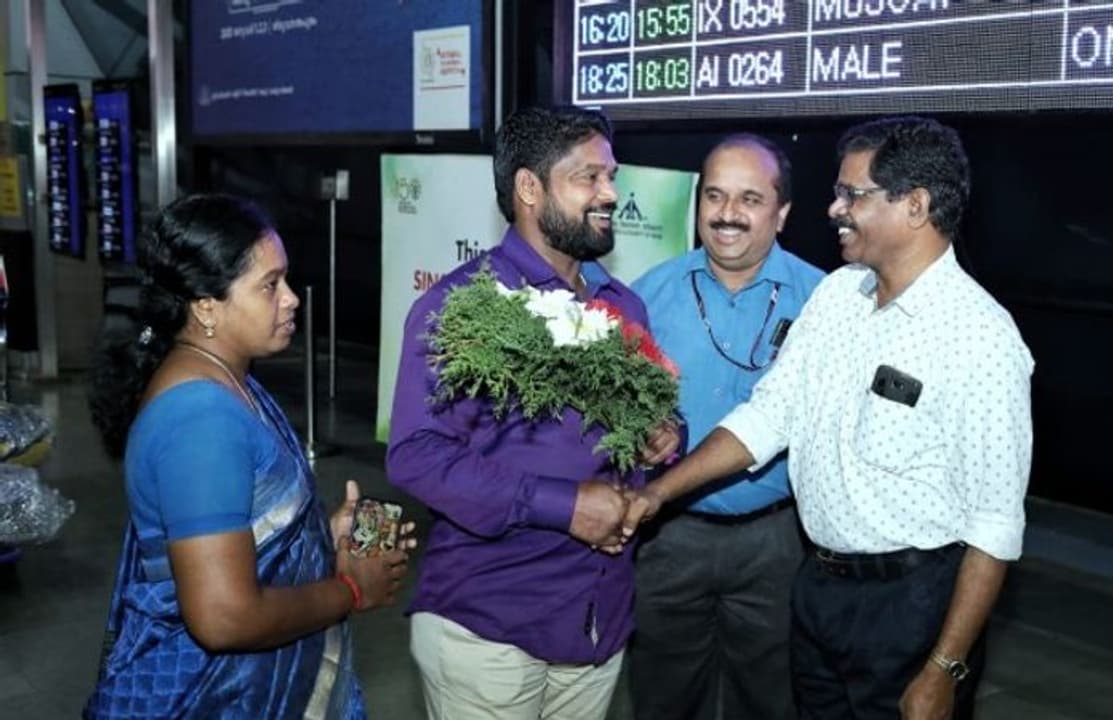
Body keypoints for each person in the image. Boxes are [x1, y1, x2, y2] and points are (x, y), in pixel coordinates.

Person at [622, 116, 1034, 720]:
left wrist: (944, 668)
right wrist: (657, 493)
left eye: (852, 195)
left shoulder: (980, 338)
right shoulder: (838, 296)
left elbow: (994, 527)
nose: (835, 208)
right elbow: (768, 417)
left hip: (910, 608)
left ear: (915, 206)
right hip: (817, 591)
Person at [386, 106, 678, 720]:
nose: (610, 194)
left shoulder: (623, 306)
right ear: (528, 188)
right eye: (589, 177)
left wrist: (663, 437)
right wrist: (563, 505)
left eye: (611, 177)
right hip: (491, 628)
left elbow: (642, 431)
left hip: (598, 623)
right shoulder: (461, 308)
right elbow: (417, 455)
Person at [85, 194, 412, 719]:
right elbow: (224, 618)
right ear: (206, 307)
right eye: (269, 285)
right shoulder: (200, 418)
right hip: (213, 699)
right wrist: (351, 588)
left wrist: (315, 538)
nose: (291, 299)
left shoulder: (228, 382)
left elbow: (243, 528)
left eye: (286, 280)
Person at [628, 134, 824, 720]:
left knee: (770, 699)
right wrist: (638, 433)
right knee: (664, 697)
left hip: (778, 543)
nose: (727, 214)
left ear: (782, 213)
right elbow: (614, 413)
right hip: (668, 537)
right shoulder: (648, 295)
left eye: (749, 199)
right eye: (714, 196)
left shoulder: (824, 300)